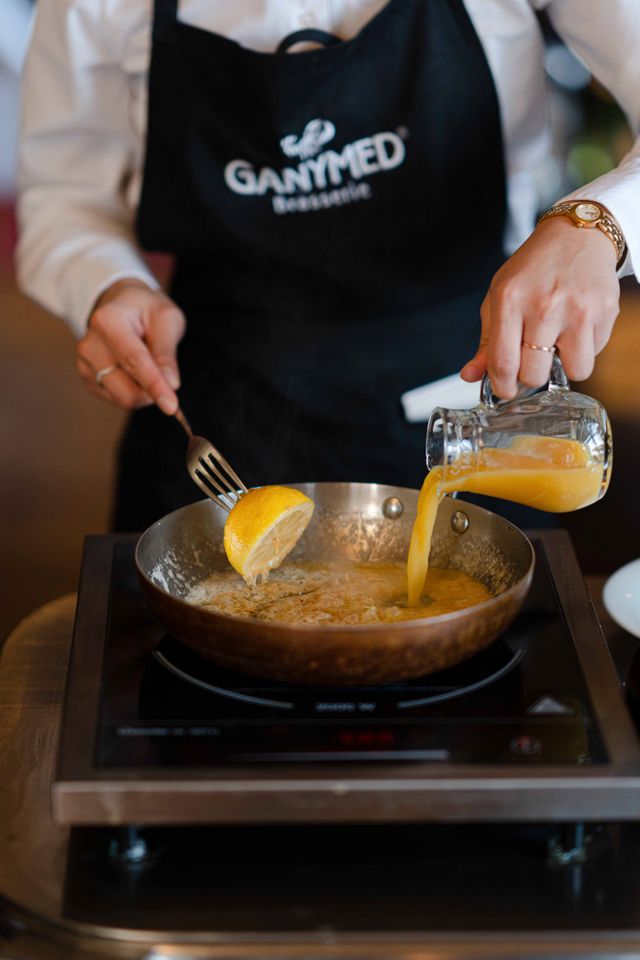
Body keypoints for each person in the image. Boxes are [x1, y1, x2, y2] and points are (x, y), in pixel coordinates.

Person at [16, 0, 639, 532]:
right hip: (216, 417)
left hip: (476, 403)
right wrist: (109, 284)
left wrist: (599, 223)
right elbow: (65, 198)